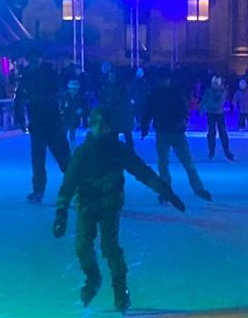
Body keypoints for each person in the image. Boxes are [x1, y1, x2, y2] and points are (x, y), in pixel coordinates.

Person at [53, 108, 186, 313]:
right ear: (91, 126)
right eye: (96, 125)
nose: (100, 129)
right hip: (87, 205)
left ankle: (120, 290)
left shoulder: (118, 150)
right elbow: (68, 183)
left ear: (110, 127)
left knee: (110, 247)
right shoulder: (83, 153)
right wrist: (61, 211)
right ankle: (92, 276)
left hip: (109, 206)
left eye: (104, 125)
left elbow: (143, 172)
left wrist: (166, 192)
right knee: (82, 246)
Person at [141, 72, 213, 202]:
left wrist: (183, 121)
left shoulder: (169, 94)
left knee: (182, 161)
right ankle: (169, 189)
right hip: (166, 131)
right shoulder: (159, 95)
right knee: (167, 162)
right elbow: (148, 112)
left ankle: (197, 188)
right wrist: (145, 126)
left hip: (174, 132)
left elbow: (183, 109)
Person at [17, 53, 71, 203]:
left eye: (35, 59)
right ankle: (38, 190)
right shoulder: (26, 76)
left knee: (63, 156)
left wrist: (45, 98)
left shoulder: (49, 73)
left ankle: (76, 184)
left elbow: (60, 91)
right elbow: (19, 98)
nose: (33, 62)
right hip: (38, 123)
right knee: (38, 160)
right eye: (31, 59)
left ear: (40, 59)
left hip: (52, 121)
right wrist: (21, 118)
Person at [200, 76, 233, 160]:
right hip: (211, 114)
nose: (215, 85)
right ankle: (211, 151)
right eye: (214, 83)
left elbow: (220, 102)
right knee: (211, 132)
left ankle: (227, 151)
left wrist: (207, 106)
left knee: (222, 133)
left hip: (219, 114)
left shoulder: (223, 91)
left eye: (217, 83)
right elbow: (204, 101)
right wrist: (202, 109)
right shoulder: (208, 91)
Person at [99, 69, 135, 146]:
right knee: (114, 134)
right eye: (109, 76)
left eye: (112, 76)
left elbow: (125, 101)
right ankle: (115, 151)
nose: (111, 77)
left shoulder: (122, 87)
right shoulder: (107, 86)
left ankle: (130, 151)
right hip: (113, 116)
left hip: (122, 115)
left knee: (127, 133)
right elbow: (103, 98)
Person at [60, 79, 89, 148]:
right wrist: (62, 112)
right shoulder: (65, 96)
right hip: (66, 117)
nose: (72, 91)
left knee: (72, 134)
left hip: (74, 118)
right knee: (63, 133)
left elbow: (85, 108)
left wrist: (81, 111)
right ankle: (63, 147)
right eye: (70, 89)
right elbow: (62, 106)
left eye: (74, 89)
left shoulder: (81, 97)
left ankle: (73, 147)